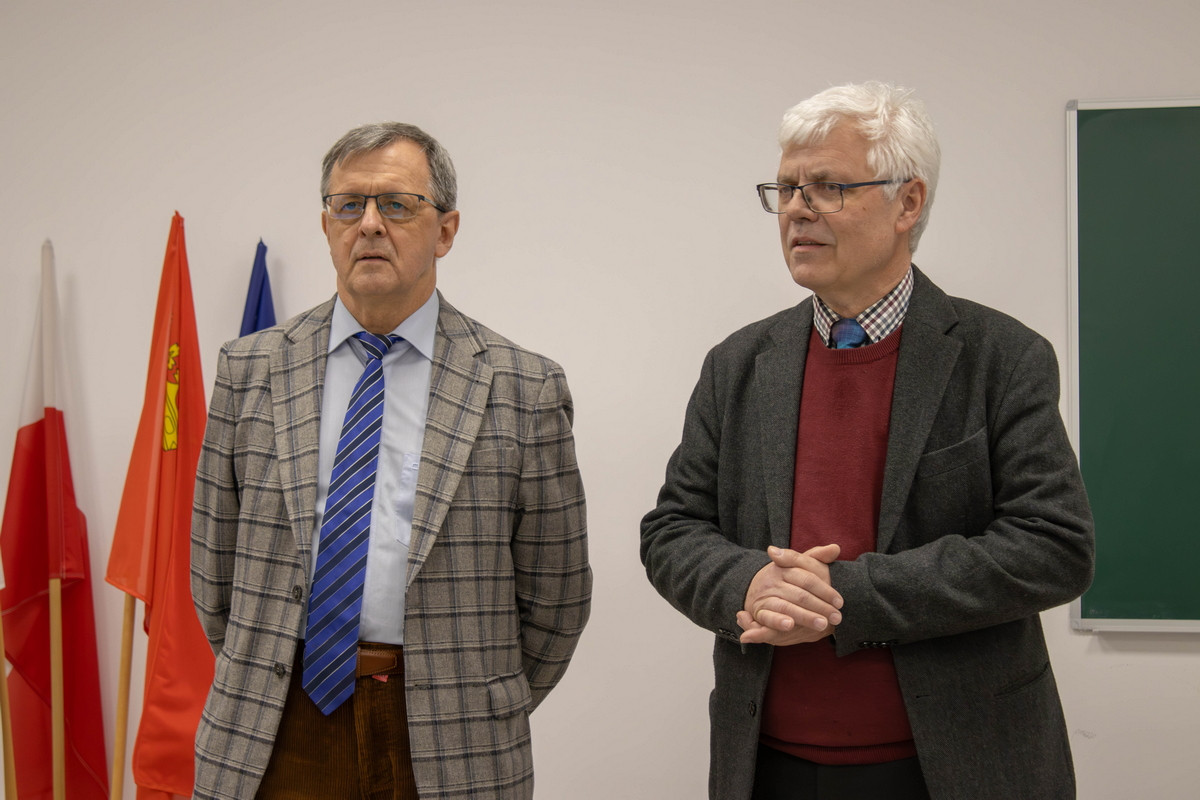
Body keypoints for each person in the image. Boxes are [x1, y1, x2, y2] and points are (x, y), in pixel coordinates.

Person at [640, 82, 1094, 800]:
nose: (797, 209)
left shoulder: (1002, 357)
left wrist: (845, 594)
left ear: (907, 203)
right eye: (786, 188)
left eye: (828, 187)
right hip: (766, 765)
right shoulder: (738, 363)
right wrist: (749, 584)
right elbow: (673, 530)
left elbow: (1053, 546)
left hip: (954, 766)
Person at [191, 122, 592, 800]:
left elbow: (558, 596)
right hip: (271, 727)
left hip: (453, 739)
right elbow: (213, 571)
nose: (370, 224)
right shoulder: (249, 369)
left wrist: (474, 701)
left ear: (445, 231)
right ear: (326, 225)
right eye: (350, 205)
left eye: (398, 205)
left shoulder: (524, 387)